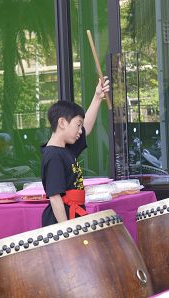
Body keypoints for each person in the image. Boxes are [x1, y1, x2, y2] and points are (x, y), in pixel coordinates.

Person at [41, 77, 110, 226]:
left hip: (74, 215)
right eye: (78, 125)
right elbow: (54, 197)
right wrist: (67, 230)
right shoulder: (53, 155)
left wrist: (98, 97)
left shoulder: (66, 148)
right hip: (61, 222)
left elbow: (87, 128)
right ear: (62, 123)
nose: (80, 131)